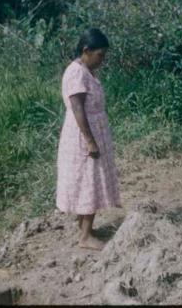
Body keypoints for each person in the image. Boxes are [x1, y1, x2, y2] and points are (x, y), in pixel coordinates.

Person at [56, 28, 122, 251]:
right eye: (100, 55)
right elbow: (77, 109)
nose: (102, 60)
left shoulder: (85, 70)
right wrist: (90, 141)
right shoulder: (77, 73)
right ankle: (85, 236)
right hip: (82, 135)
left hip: (91, 131)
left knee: (89, 180)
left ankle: (86, 228)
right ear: (86, 51)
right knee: (88, 182)